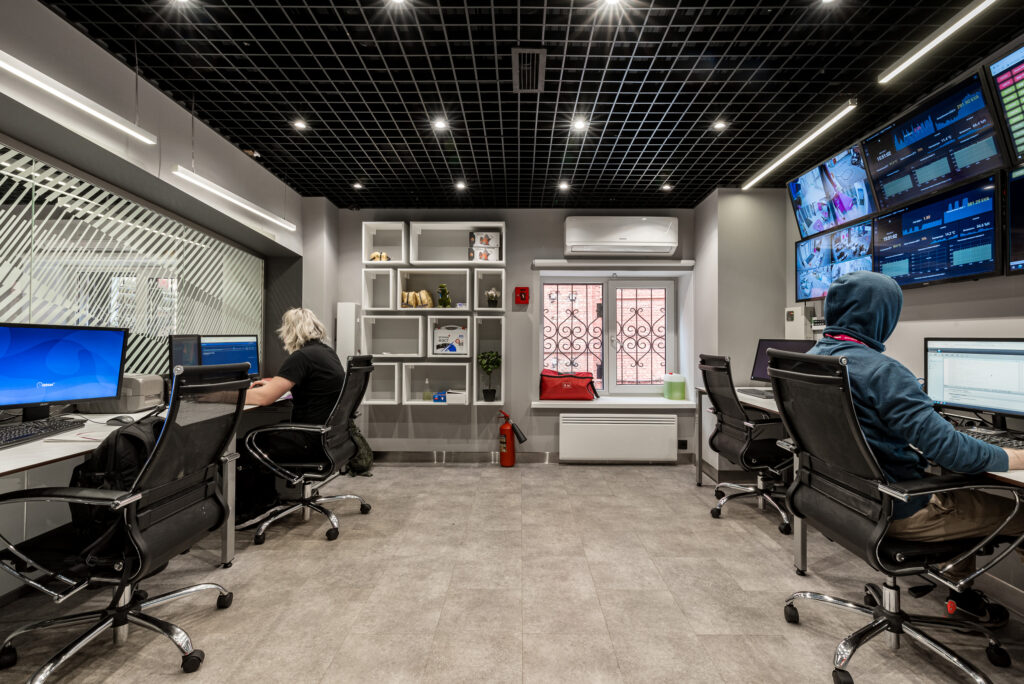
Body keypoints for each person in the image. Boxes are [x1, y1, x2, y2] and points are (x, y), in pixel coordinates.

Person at [809, 270, 1024, 624]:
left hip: (842, 501)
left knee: (961, 493)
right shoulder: (882, 372)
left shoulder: (813, 358)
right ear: (883, 316)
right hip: (899, 510)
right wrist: (1014, 456)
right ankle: (963, 595)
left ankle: (960, 595)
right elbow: (954, 453)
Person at [236, 308, 345, 522]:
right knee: (263, 434)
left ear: (289, 332)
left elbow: (264, 398)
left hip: (309, 439)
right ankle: (270, 499)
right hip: (328, 436)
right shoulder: (325, 353)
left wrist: (221, 395)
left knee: (245, 444)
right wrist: (274, 383)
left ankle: (256, 509)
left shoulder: (301, 357)